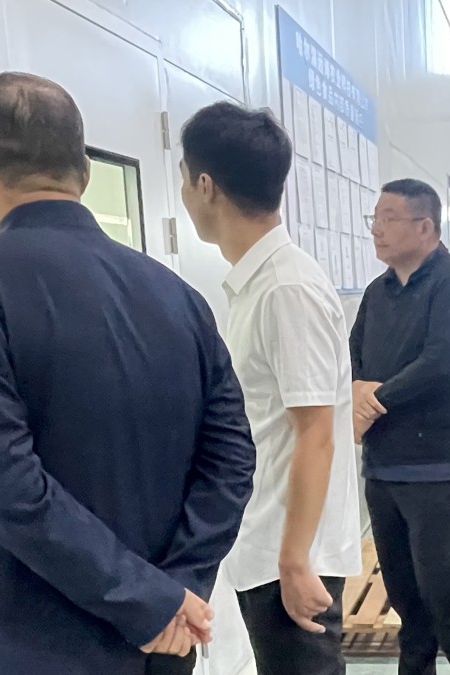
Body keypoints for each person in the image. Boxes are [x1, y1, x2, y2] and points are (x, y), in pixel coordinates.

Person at [0, 72, 256, 675]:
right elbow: (231, 457)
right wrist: (178, 587)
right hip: (166, 640)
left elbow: (13, 489)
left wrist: (151, 602)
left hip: (38, 636)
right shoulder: (178, 296)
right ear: (85, 170)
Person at [179, 101, 362, 674]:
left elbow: (316, 434)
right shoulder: (260, 283)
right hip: (270, 543)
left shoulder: (286, 288)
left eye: (184, 179)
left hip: (290, 553)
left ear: (205, 185)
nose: (183, 195)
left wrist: (295, 560)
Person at [351, 178, 450, 675]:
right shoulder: (377, 293)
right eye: (374, 218)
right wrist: (357, 393)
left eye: (388, 219)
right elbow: (354, 357)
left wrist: (373, 400)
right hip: (383, 469)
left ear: (425, 227)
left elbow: (440, 365)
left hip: (437, 470)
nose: (376, 229)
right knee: (407, 602)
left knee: (447, 597)